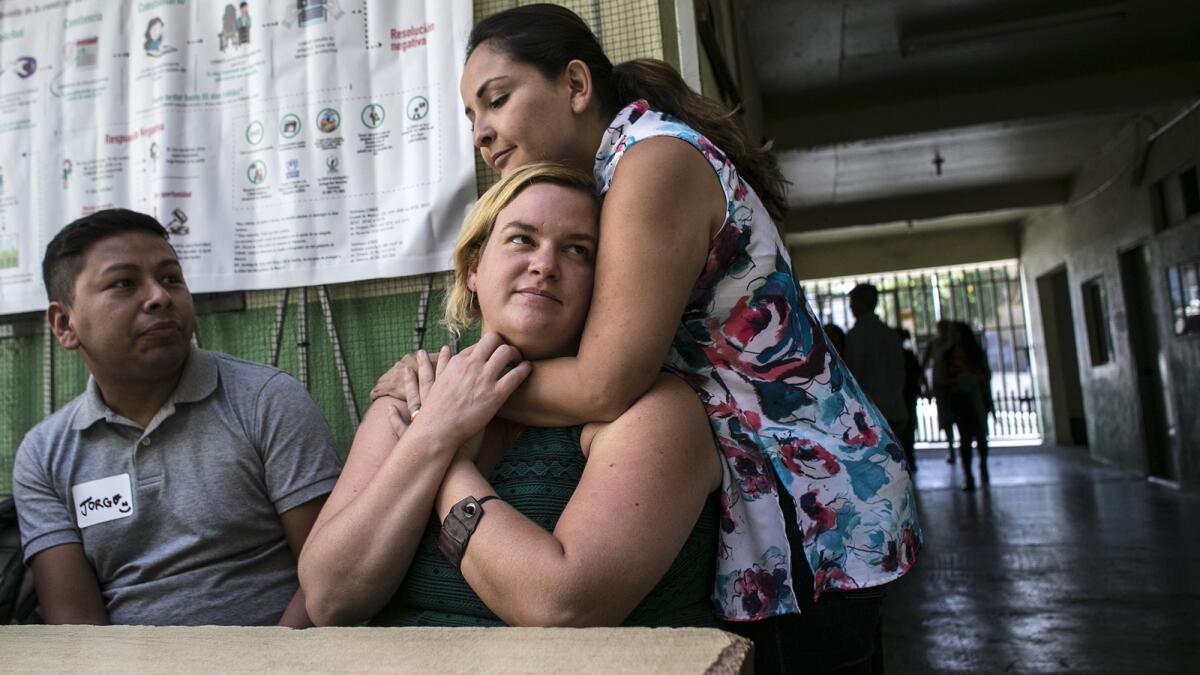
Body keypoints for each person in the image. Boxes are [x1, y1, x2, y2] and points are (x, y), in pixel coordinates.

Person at [373, 5, 921, 672]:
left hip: (808, 501)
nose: (482, 134)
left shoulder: (652, 160)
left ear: (576, 85)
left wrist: (449, 401)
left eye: (496, 100)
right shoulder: (619, 169)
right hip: (778, 502)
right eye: (471, 117)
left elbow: (607, 380)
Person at [300, 163, 722, 627]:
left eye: (578, 250)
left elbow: (562, 605)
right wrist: (435, 429)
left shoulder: (651, 410)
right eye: (522, 239)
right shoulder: (412, 391)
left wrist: (444, 449)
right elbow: (329, 598)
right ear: (473, 268)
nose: (544, 265)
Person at [11, 209, 341, 626]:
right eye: (124, 283)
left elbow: (330, 582)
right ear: (64, 324)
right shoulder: (44, 455)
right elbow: (75, 627)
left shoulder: (266, 401)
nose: (159, 297)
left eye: (171, 278)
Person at [843, 284, 909, 459]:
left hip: (873, 414)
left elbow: (854, 376)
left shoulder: (858, 335)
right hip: (896, 407)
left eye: (853, 302)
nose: (850, 306)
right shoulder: (889, 333)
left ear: (860, 303)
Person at [945, 322, 992, 491]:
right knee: (964, 437)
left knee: (980, 435)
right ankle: (968, 474)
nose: (951, 335)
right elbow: (944, 378)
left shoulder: (976, 353)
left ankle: (983, 466)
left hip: (976, 399)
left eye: (954, 332)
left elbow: (987, 374)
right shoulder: (948, 354)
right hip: (959, 399)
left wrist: (972, 380)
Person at [923, 320, 958, 463]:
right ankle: (951, 448)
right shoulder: (934, 344)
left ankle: (955, 448)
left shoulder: (953, 344)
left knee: (954, 417)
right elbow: (923, 364)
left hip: (952, 386)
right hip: (941, 385)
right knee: (946, 418)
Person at [897, 328, 926, 474]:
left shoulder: (898, 356)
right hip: (908, 394)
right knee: (908, 428)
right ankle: (910, 458)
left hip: (904, 394)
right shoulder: (907, 355)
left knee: (905, 429)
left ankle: (907, 459)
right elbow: (918, 373)